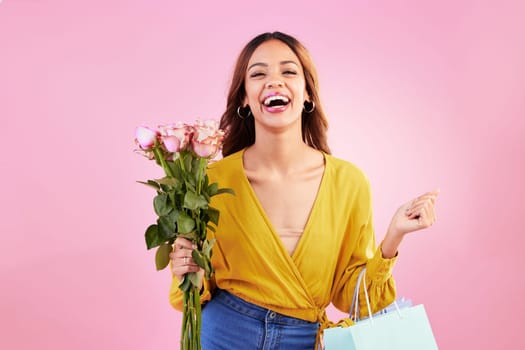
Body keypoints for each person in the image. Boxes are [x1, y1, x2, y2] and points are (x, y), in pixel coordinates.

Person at [169, 31, 439, 350]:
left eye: (288, 71)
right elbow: (194, 291)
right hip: (225, 332)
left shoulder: (348, 182)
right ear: (244, 96)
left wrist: (393, 238)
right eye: (258, 74)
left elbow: (355, 298)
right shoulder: (209, 180)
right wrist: (186, 270)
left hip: (305, 339)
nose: (274, 81)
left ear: (308, 93)